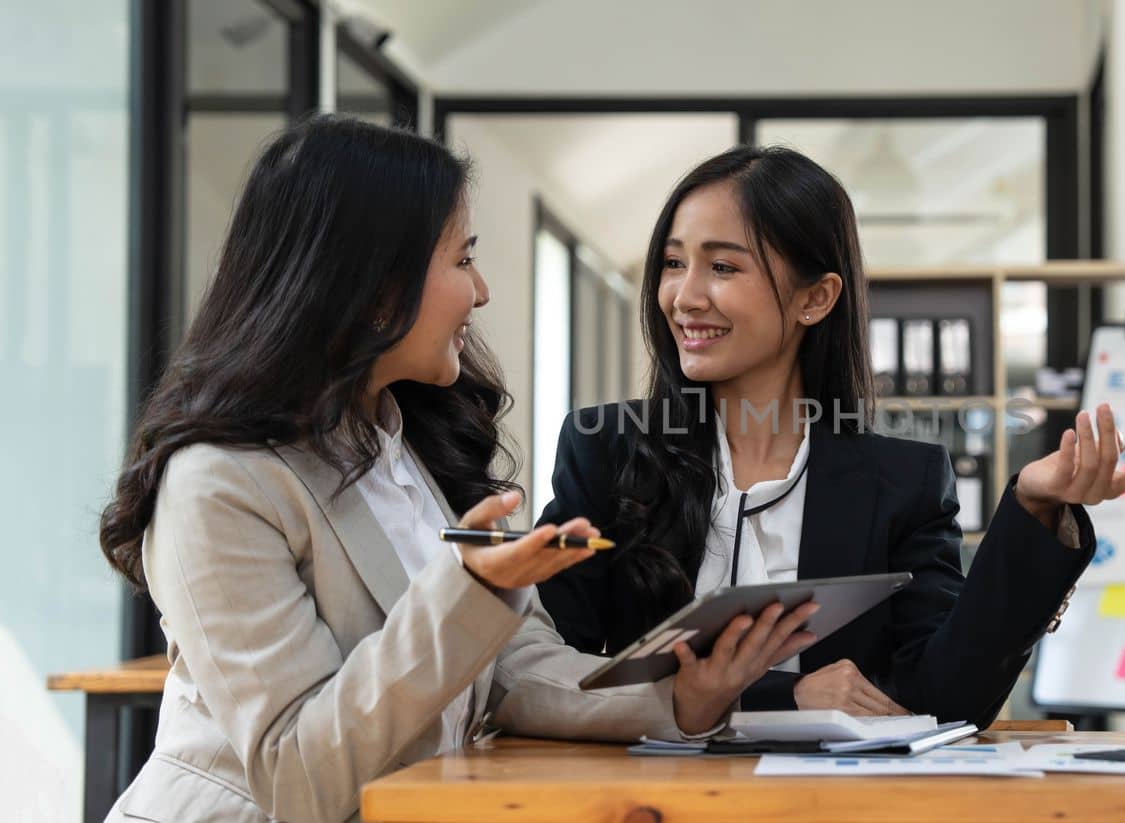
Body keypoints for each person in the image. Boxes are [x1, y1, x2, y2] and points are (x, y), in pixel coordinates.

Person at [96, 118, 810, 823]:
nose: (482, 290)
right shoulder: (219, 484)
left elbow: (515, 671)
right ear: (377, 286)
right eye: (463, 259)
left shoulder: (402, 448)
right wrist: (466, 590)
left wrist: (686, 699)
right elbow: (298, 777)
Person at [536, 145, 1125, 727]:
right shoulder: (607, 450)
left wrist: (1032, 507)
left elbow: (948, 697)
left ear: (816, 298)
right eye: (674, 263)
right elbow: (552, 674)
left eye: (722, 265)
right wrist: (787, 698)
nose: (683, 295)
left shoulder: (904, 482)